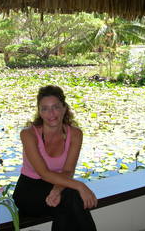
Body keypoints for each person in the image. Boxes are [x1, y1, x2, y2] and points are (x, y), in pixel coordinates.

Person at [13, 85, 97, 231]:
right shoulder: (28, 134)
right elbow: (43, 173)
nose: (50, 113)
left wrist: (57, 189)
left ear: (64, 108)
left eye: (55, 107)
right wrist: (80, 185)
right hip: (29, 190)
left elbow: (68, 170)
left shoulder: (75, 134)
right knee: (72, 196)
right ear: (39, 112)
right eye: (44, 108)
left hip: (59, 186)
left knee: (67, 202)